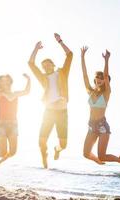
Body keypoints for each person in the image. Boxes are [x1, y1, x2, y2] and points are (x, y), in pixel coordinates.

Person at [28, 33, 73, 168]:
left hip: (62, 112)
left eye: (48, 64)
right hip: (48, 112)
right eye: (44, 66)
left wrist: (60, 41)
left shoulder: (62, 73)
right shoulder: (43, 78)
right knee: (41, 142)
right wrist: (36, 49)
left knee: (63, 145)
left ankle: (57, 150)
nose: (46, 67)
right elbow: (30, 63)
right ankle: (44, 156)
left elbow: (70, 55)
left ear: (53, 65)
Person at [80, 46, 120, 165]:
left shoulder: (106, 93)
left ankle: (118, 159)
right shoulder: (90, 91)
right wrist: (82, 57)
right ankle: (98, 161)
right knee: (85, 154)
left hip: (102, 126)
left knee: (103, 155)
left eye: (102, 78)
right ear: (94, 79)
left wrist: (106, 60)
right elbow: (84, 75)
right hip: (91, 126)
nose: (100, 79)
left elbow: (106, 76)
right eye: (98, 78)